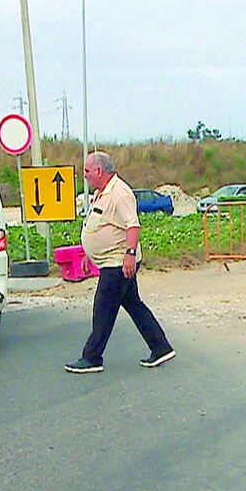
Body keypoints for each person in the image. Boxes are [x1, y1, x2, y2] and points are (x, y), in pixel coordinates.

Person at [64, 151, 175, 374]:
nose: (84, 175)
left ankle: (92, 357)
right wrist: (88, 253)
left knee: (103, 309)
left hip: (118, 263)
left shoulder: (120, 193)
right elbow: (101, 225)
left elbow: (132, 226)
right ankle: (161, 347)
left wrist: (130, 255)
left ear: (98, 170)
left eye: (87, 171)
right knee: (134, 305)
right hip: (110, 260)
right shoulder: (102, 193)